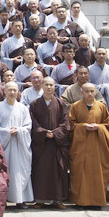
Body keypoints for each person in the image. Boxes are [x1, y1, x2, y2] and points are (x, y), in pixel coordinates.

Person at [68, 83, 109, 209]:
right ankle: (80, 201)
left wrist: (98, 127)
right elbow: (70, 125)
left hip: (97, 146)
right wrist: (83, 126)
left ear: (95, 92)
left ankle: (97, 201)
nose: (89, 94)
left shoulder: (101, 107)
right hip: (80, 146)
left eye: (91, 91)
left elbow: (108, 126)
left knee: (97, 173)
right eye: (86, 91)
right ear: (81, 92)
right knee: (80, 173)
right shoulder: (75, 106)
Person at [29, 76, 70, 209]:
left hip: (56, 144)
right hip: (42, 144)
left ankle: (57, 200)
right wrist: (43, 132)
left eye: (51, 85)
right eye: (46, 84)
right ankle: (40, 199)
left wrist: (56, 133)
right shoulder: (34, 104)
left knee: (57, 171)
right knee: (41, 171)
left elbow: (65, 123)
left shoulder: (61, 103)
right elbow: (33, 123)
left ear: (54, 87)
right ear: (41, 86)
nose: (49, 87)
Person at [0, 82, 34, 208]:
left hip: (19, 144)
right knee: (3, 172)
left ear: (18, 92)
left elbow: (28, 126)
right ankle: (2, 199)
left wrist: (19, 131)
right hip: (4, 145)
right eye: (9, 90)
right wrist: (6, 132)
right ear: (4, 91)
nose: (12, 92)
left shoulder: (23, 108)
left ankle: (20, 199)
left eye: (14, 90)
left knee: (19, 172)